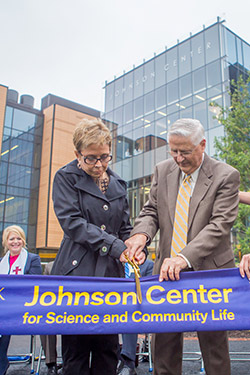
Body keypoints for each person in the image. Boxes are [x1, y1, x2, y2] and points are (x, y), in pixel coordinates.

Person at [125, 118, 240, 375]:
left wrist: (182, 257)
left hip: (209, 273)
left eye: (185, 152)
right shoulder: (162, 170)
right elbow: (151, 211)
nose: (178, 159)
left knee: (214, 349)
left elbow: (219, 225)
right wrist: (141, 235)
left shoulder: (226, 175)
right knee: (163, 345)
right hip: (166, 272)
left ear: (202, 144)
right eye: (173, 151)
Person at [51, 118, 145, 375]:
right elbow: (73, 224)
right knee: (76, 355)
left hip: (110, 277)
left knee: (107, 352)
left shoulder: (118, 184)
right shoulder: (65, 177)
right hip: (76, 273)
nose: (99, 164)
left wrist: (136, 246)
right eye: (91, 158)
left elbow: (124, 228)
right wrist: (117, 247)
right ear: (77, 154)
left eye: (105, 157)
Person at [0, 225, 42, 375]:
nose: (15, 242)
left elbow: (36, 286)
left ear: (23, 241)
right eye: (12, 239)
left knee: (2, 319)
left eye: (19, 238)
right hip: (5, 306)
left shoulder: (32, 259)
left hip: (24, 306)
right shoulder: (1, 262)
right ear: (6, 242)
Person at [117, 259, 154, 375]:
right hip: (113, 308)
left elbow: (150, 291)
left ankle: (128, 363)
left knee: (129, 317)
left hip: (137, 310)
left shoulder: (147, 265)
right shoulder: (113, 264)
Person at [40, 262, 60, 375]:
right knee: (45, 321)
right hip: (56, 309)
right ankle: (51, 363)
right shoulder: (50, 266)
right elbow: (44, 291)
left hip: (80, 311)